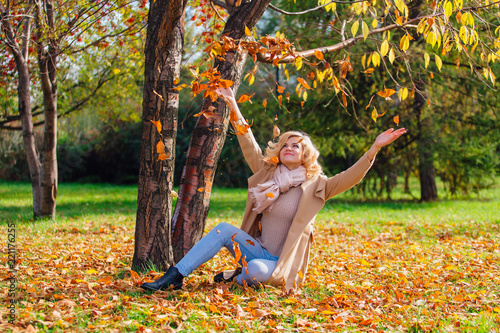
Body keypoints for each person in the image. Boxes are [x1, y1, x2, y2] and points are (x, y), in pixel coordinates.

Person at [140, 87, 407, 292]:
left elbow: (352, 176)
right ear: (280, 151)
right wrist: (233, 105)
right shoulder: (268, 172)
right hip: (256, 248)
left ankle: (236, 275)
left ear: (306, 154)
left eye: (296, 146)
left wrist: (375, 148)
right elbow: (248, 142)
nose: (289, 148)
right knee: (223, 229)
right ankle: (175, 276)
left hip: (283, 262)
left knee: (255, 270)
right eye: (286, 145)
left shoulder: (318, 185)